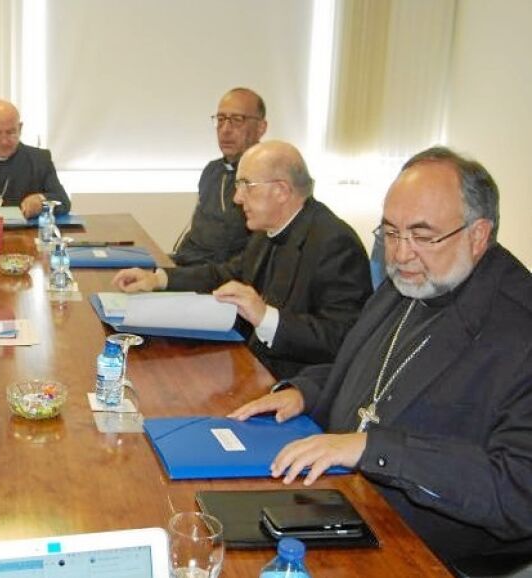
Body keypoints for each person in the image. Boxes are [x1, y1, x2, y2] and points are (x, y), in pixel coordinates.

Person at [228, 147, 532, 568]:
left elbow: (518, 491)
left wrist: (375, 449)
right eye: (390, 233)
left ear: (478, 235)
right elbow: (370, 370)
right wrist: (306, 392)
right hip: (346, 501)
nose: (401, 254)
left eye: (422, 236)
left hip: (430, 552)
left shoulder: (520, 328)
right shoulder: (409, 282)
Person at [113, 141, 372, 380]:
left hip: (292, 383)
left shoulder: (334, 243)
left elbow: (343, 339)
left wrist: (266, 317)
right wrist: (158, 279)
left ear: (281, 190)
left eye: (246, 185)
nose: (237, 198)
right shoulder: (267, 230)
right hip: (250, 363)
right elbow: (226, 274)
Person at [171, 88, 267, 266]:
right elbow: (197, 235)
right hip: (185, 264)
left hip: (218, 275)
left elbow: (250, 258)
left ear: (261, 128)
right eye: (221, 119)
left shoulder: (266, 178)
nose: (225, 130)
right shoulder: (212, 170)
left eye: (237, 120)